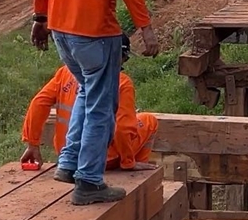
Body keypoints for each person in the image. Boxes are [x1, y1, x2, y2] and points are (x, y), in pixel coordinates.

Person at [30, 0, 159, 206]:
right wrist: (146, 29)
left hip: (61, 31)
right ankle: (88, 181)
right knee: (102, 105)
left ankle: (69, 163)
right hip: (95, 32)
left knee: (88, 91)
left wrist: (39, 19)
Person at [20, 34, 159, 173]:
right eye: (125, 58)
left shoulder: (66, 73)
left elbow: (38, 103)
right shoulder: (121, 82)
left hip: (67, 155)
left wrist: (32, 144)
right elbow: (122, 129)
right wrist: (128, 161)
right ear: (118, 56)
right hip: (102, 159)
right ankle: (132, 166)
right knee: (149, 120)